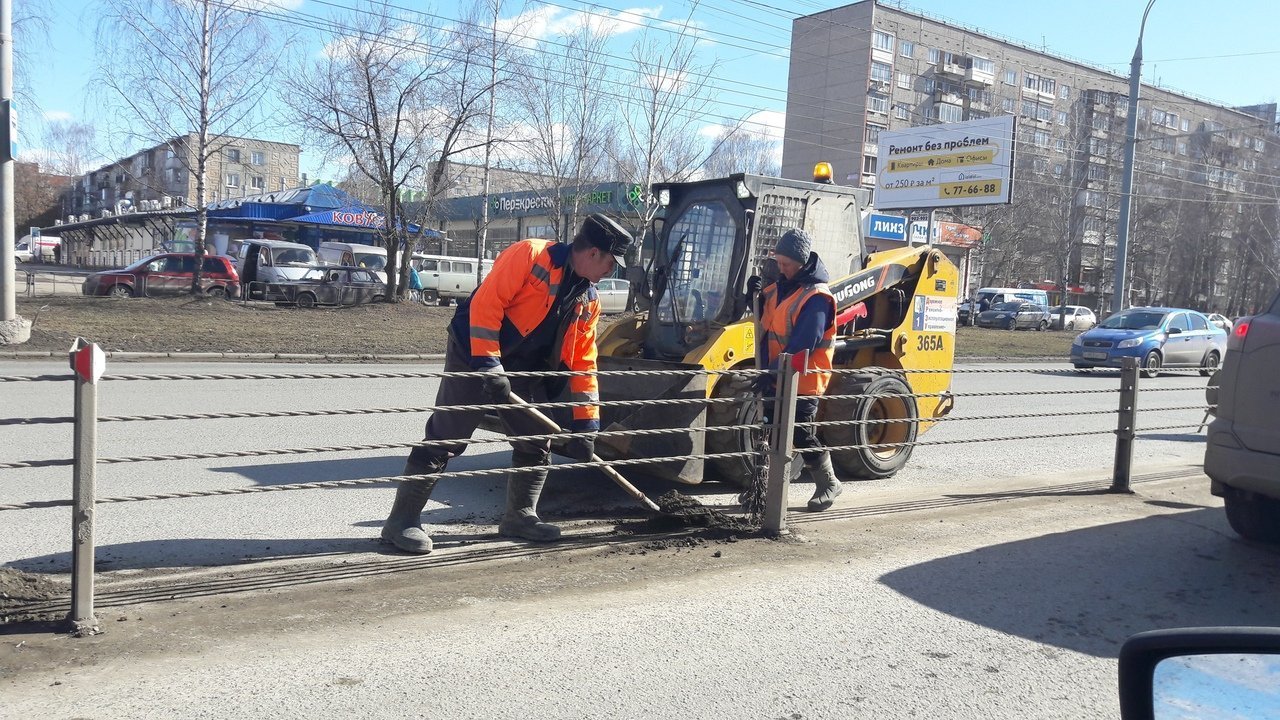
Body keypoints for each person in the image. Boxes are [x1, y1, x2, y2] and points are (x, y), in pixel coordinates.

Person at [382, 213, 634, 554]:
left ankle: (520, 517)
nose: (611, 272)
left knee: (535, 439)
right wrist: (488, 365)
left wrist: (587, 424)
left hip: (525, 366)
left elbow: (583, 362)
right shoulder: (530, 255)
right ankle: (401, 523)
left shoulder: (589, 299)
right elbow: (486, 306)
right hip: (473, 350)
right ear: (593, 253)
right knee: (447, 435)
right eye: (610, 263)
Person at [747, 228, 842, 512]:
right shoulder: (777, 288)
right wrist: (752, 297)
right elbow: (765, 323)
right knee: (768, 431)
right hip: (775, 374)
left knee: (798, 433)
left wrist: (772, 372)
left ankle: (828, 483)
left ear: (801, 263)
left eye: (786, 264)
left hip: (804, 380)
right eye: (778, 262)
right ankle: (767, 490)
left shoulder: (816, 298)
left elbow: (804, 344)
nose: (781, 268)